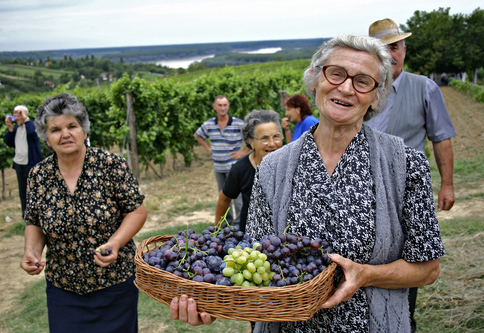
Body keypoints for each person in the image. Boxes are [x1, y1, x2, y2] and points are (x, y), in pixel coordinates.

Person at [169, 34, 444, 333]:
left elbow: (427, 269)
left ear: (377, 96)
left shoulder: (405, 164)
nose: (346, 87)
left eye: (363, 81)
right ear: (314, 80)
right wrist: (213, 301)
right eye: (335, 73)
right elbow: (256, 261)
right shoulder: (272, 168)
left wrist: (366, 274)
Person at [20, 93, 147, 333]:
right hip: (63, 287)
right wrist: (32, 251)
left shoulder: (110, 165)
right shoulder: (38, 176)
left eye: (72, 126)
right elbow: (34, 221)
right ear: (46, 138)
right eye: (55, 129)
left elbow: (137, 211)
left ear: (84, 131)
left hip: (115, 283)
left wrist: (115, 243)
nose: (65, 134)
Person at [365, 18, 457, 332]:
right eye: (383, 48)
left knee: (411, 261)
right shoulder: (361, 87)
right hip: (364, 196)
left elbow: (441, 137)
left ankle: (405, 321)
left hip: (407, 196)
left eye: (395, 46)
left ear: (404, 50)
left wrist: (446, 185)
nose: (391, 54)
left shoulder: (423, 87)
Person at [215, 109, 283, 232]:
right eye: (264, 138)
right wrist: (217, 230)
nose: (272, 144)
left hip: (285, 235)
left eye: (276, 136)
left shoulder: (290, 164)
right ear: (251, 142)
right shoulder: (241, 169)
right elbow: (224, 198)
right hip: (251, 237)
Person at [195, 95, 249, 225]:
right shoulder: (209, 124)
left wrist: (244, 152)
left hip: (234, 168)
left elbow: (251, 136)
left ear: (228, 106)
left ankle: (240, 224)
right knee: (224, 197)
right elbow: (197, 135)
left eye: (225, 105)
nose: (222, 108)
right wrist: (208, 147)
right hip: (218, 167)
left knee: (238, 199)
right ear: (214, 107)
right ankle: (226, 224)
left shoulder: (238, 123)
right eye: (219, 105)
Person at [4, 105, 43, 219]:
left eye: (19, 114)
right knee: (22, 190)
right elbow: (10, 142)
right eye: (15, 114)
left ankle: (37, 213)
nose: (16, 116)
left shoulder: (31, 126)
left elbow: (32, 133)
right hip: (19, 163)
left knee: (34, 189)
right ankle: (25, 214)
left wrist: (26, 118)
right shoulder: (17, 128)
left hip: (30, 163)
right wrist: (10, 128)